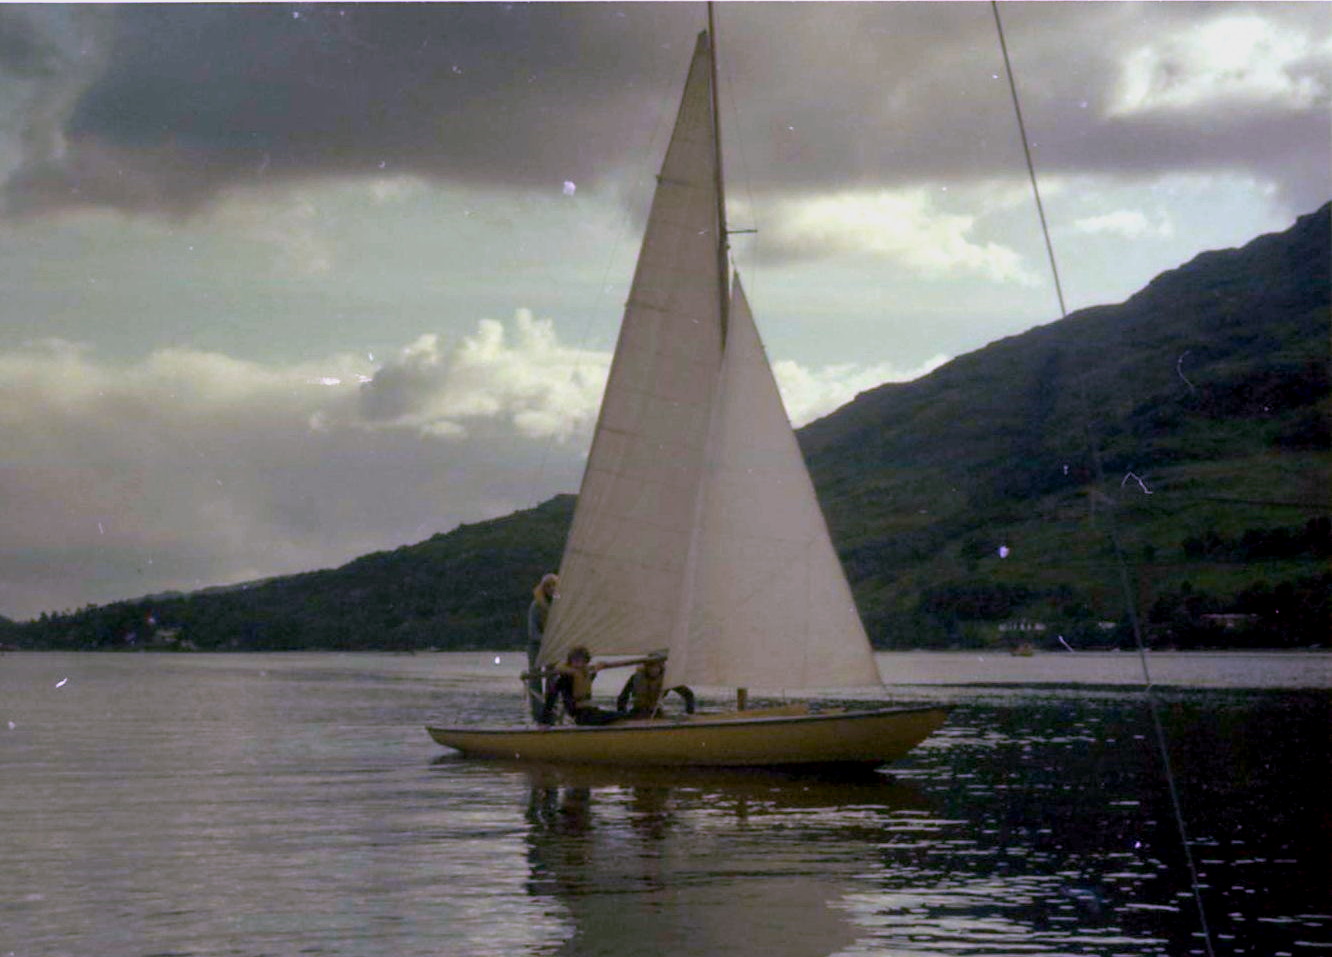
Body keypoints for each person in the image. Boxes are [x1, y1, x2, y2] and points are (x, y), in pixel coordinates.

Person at [539, 645, 622, 726]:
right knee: (620, 715)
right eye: (575, 660)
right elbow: (552, 696)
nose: (578, 664)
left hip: (589, 712)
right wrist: (544, 721)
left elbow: (586, 684)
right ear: (570, 662)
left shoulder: (583, 674)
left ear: (585, 662)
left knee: (622, 714)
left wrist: (596, 670)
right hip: (581, 715)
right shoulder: (566, 678)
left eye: (581, 661)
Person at [525, 573, 558, 722]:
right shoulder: (536, 605)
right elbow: (533, 632)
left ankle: (552, 710)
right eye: (548, 586)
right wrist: (546, 641)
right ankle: (538, 713)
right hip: (536, 647)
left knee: (553, 678)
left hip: (553, 647)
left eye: (554, 585)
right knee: (535, 678)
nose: (551, 588)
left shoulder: (558, 605)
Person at [616, 657, 695, 718]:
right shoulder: (636, 678)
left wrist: (689, 713)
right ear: (646, 667)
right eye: (651, 667)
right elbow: (623, 697)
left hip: (656, 713)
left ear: (661, 667)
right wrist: (622, 713)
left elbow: (688, 694)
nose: (654, 670)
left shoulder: (667, 679)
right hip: (637, 712)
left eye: (657, 667)